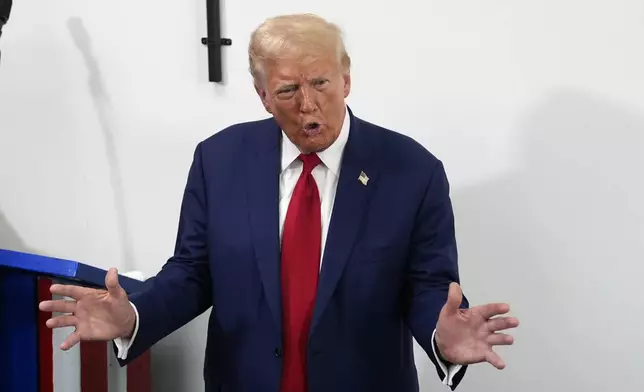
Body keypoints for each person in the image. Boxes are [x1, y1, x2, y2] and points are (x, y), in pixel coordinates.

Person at [39, 13, 519, 392]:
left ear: (346, 80)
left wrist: (443, 339)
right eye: (289, 89)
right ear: (263, 96)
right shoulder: (219, 159)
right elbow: (192, 272)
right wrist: (134, 316)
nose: (308, 103)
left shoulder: (412, 170)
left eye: (321, 83)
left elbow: (427, 285)